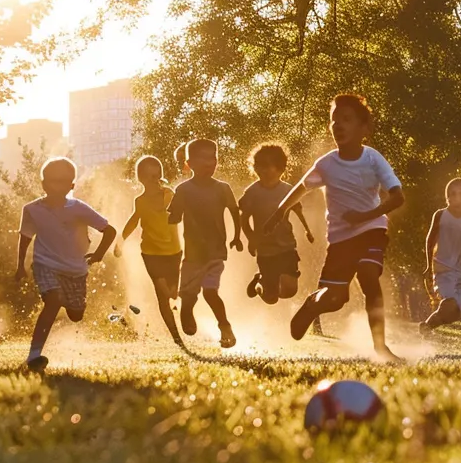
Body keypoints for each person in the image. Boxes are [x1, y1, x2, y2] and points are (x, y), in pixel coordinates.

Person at [272, 93, 407, 362]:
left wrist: (367, 215)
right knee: (335, 300)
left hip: (372, 228)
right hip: (340, 239)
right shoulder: (326, 164)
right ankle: (313, 305)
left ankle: (380, 346)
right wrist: (280, 211)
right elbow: (301, 187)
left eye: (346, 120)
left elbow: (397, 197)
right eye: (334, 120)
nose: (338, 125)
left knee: (369, 276)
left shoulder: (373, 159)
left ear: (364, 128)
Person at [14, 157, 117, 371]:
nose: (57, 185)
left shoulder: (78, 208)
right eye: (52, 181)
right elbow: (25, 238)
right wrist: (20, 266)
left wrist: (98, 254)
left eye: (63, 181)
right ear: (43, 184)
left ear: (72, 185)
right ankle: (34, 356)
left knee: (76, 314)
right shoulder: (32, 209)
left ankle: (73, 305)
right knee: (53, 301)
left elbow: (110, 231)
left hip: (76, 270)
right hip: (45, 264)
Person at [167, 138, 243, 348]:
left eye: (213, 158)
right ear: (189, 163)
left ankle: (224, 325)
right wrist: (168, 214)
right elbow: (173, 218)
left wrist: (237, 236)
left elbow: (235, 212)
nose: (210, 162)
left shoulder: (222, 188)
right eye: (204, 159)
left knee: (211, 292)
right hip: (192, 254)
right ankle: (187, 310)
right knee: (189, 295)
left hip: (215, 253)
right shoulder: (183, 190)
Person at [116, 155, 186, 345]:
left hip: (173, 251)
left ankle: (172, 293)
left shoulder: (169, 194)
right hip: (150, 252)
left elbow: (170, 209)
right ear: (141, 179)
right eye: (149, 176)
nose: (154, 179)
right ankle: (176, 337)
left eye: (157, 175)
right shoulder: (140, 201)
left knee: (172, 293)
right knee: (162, 295)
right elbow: (133, 220)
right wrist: (121, 240)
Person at [238, 143, 315, 305]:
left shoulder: (288, 191)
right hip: (265, 250)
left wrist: (308, 231)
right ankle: (259, 282)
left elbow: (298, 212)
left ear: (281, 169)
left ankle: (264, 281)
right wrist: (251, 238)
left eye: (268, 166)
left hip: (286, 246)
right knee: (270, 298)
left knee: (289, 291)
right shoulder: (252, 192)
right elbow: (244, 220)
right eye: (259, 166)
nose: (263, 170)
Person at [422, 178, 461, 330]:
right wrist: (428, 266)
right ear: (447, 197)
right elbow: (430, 240)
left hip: (459, 272)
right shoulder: (441, 215)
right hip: (442, 269)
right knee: (450, 304)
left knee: (460, 312)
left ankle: (428, 325)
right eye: (453, 194)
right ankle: (427, 326)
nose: (457, 198)